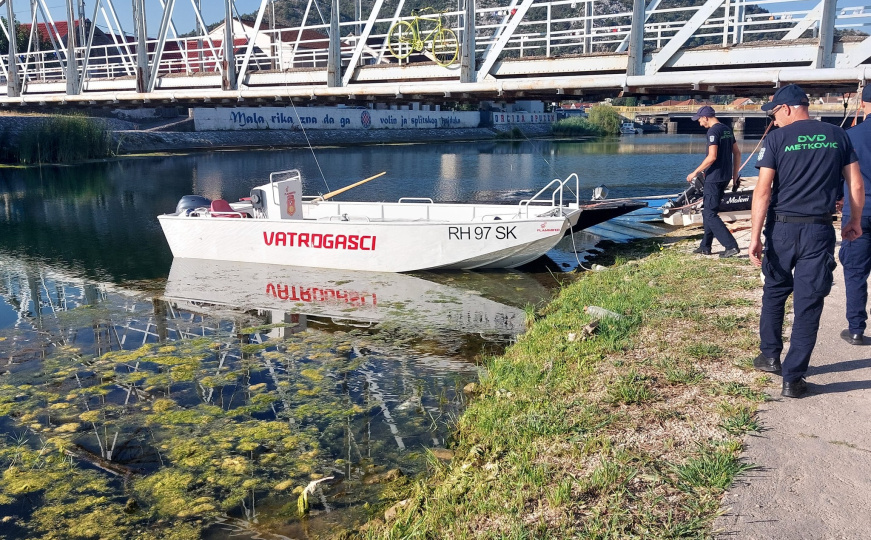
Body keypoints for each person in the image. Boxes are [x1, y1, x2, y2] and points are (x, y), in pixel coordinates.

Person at [749, 84, 864, 398]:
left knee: (775, 292)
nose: (773, 120)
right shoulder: (838, 135)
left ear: (787, 108)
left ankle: (769, 356)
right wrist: (853, 221)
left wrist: (755, 236)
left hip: (781, 230)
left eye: (774, 113)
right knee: (808, 303)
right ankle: (793, 378)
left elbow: (763, 191)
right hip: (818, 230)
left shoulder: (776, 139)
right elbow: (855, 184)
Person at [686, 106, 742, 258]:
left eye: (699, 120)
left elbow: (712, 157)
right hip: (725, 177)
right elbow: (737, 153)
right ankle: (705, 246)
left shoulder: (713, 131)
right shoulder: (727, 129)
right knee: (709, 211)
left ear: (705, 117)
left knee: (710, 213)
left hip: (714, 178)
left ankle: (731, 246)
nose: (699, 123)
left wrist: (694, 172)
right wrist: (735, 175)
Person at [840, 86, 871, 346]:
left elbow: (837, 174)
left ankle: (856, 329)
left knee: (855, 271)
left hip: (859, 210)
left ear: (862, 104)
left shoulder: (849, 136)